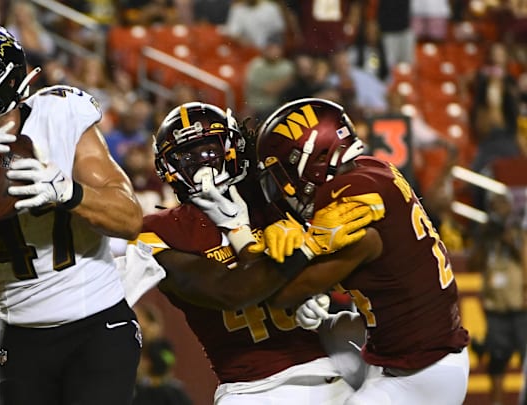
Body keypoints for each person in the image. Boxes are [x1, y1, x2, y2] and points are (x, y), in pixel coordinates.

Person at [0, 22, 143, 405]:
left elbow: (130, 219)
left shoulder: (60, 114)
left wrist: (69, 192)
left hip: (98, 322)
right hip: (22, 335)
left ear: (5, 77)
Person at [121, 102, 378, 404]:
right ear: (168, 167)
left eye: (210, 151)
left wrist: (316, 286)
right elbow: (226, 291)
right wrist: (297, 265)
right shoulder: (162, 231)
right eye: (187, 158)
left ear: (234, 147)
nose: (203, 166)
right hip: (250, 387)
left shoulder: (278, 196)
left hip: (331, 366)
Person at [245, 97, 470, 404]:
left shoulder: (352, 201)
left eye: (283, 171)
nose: (283, 186)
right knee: (331, 331)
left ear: (312, 159)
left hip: (422, 371)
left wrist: (305, 248)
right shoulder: (373, 168)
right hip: (413, 349)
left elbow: (283, 294)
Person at [468, 191, 527, 405]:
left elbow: (523, 259)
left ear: (510, 207)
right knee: (498, 360)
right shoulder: (486, 234)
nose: (498, 208)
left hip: (519, 305)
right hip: (496, 308)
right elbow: (472, 264)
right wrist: (484, 239)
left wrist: (509, 240)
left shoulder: (519, 232)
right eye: (494, 203)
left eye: (502, 203)